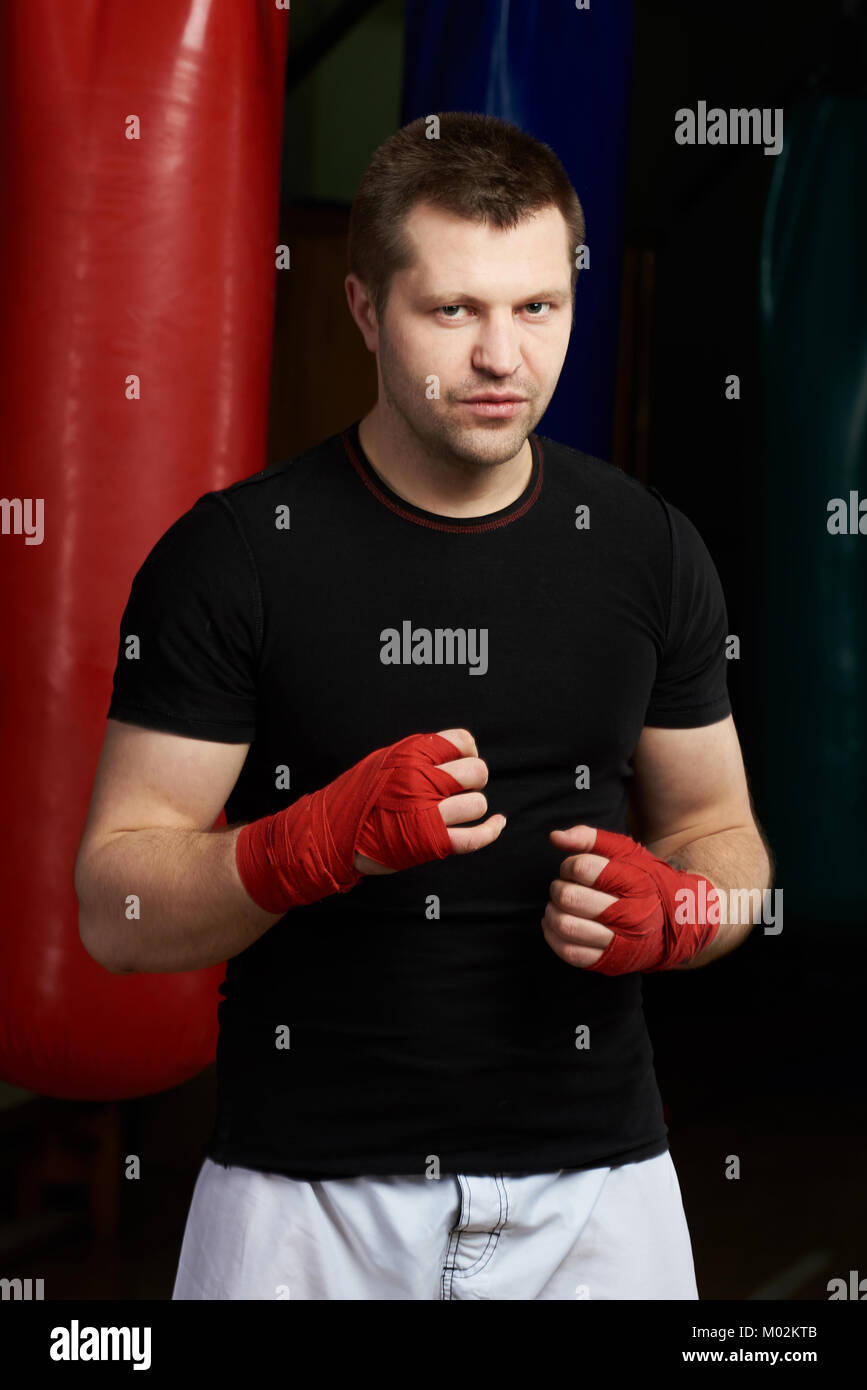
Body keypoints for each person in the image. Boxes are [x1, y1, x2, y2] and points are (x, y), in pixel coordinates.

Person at [74, 112, 772, 1301]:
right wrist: (310, 843)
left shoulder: (649, 549)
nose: (504, 355)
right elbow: (114, 907)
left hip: (602, 1185)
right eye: (454, 310)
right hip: (309, 1196)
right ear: (363, 310)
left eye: (537, 307)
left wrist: (687, 908)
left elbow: (729, 841)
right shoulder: (237, 557)